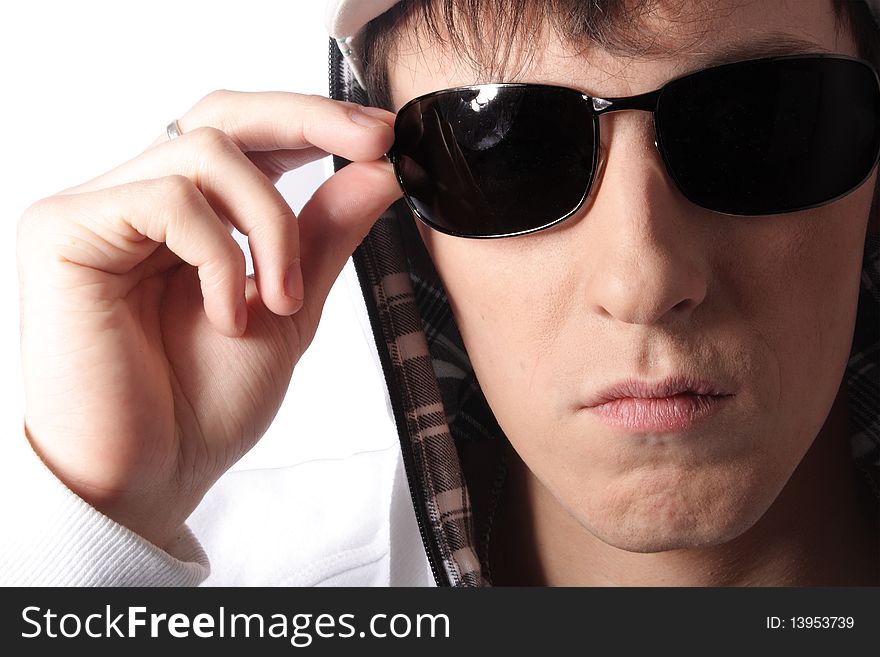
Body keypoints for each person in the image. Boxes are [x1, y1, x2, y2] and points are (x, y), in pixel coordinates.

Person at [3, 0, 879, 586]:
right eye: (503, 149)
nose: (643, 280)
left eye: (757, 125)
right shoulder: (202, 587)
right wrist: (98, 529)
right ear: (396, 206)